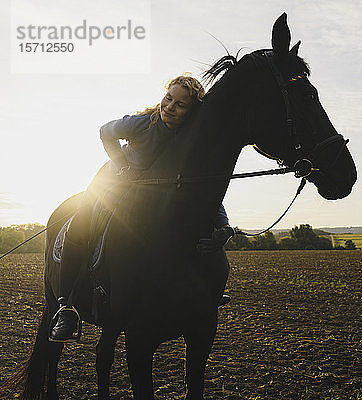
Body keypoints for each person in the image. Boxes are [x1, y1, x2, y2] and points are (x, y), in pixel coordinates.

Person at [49, 75, 234, 342]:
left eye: (180, 105)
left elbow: (206, 191)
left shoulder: (191, 137)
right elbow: (105, 131)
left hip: (155, 192)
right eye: (168, 98)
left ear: (192, 111)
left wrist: (223, 224)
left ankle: (207, 294)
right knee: (80, 225)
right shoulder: (143, 124)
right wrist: (121, 163)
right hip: (113, 181)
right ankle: (66, 307)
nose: (170, 107)